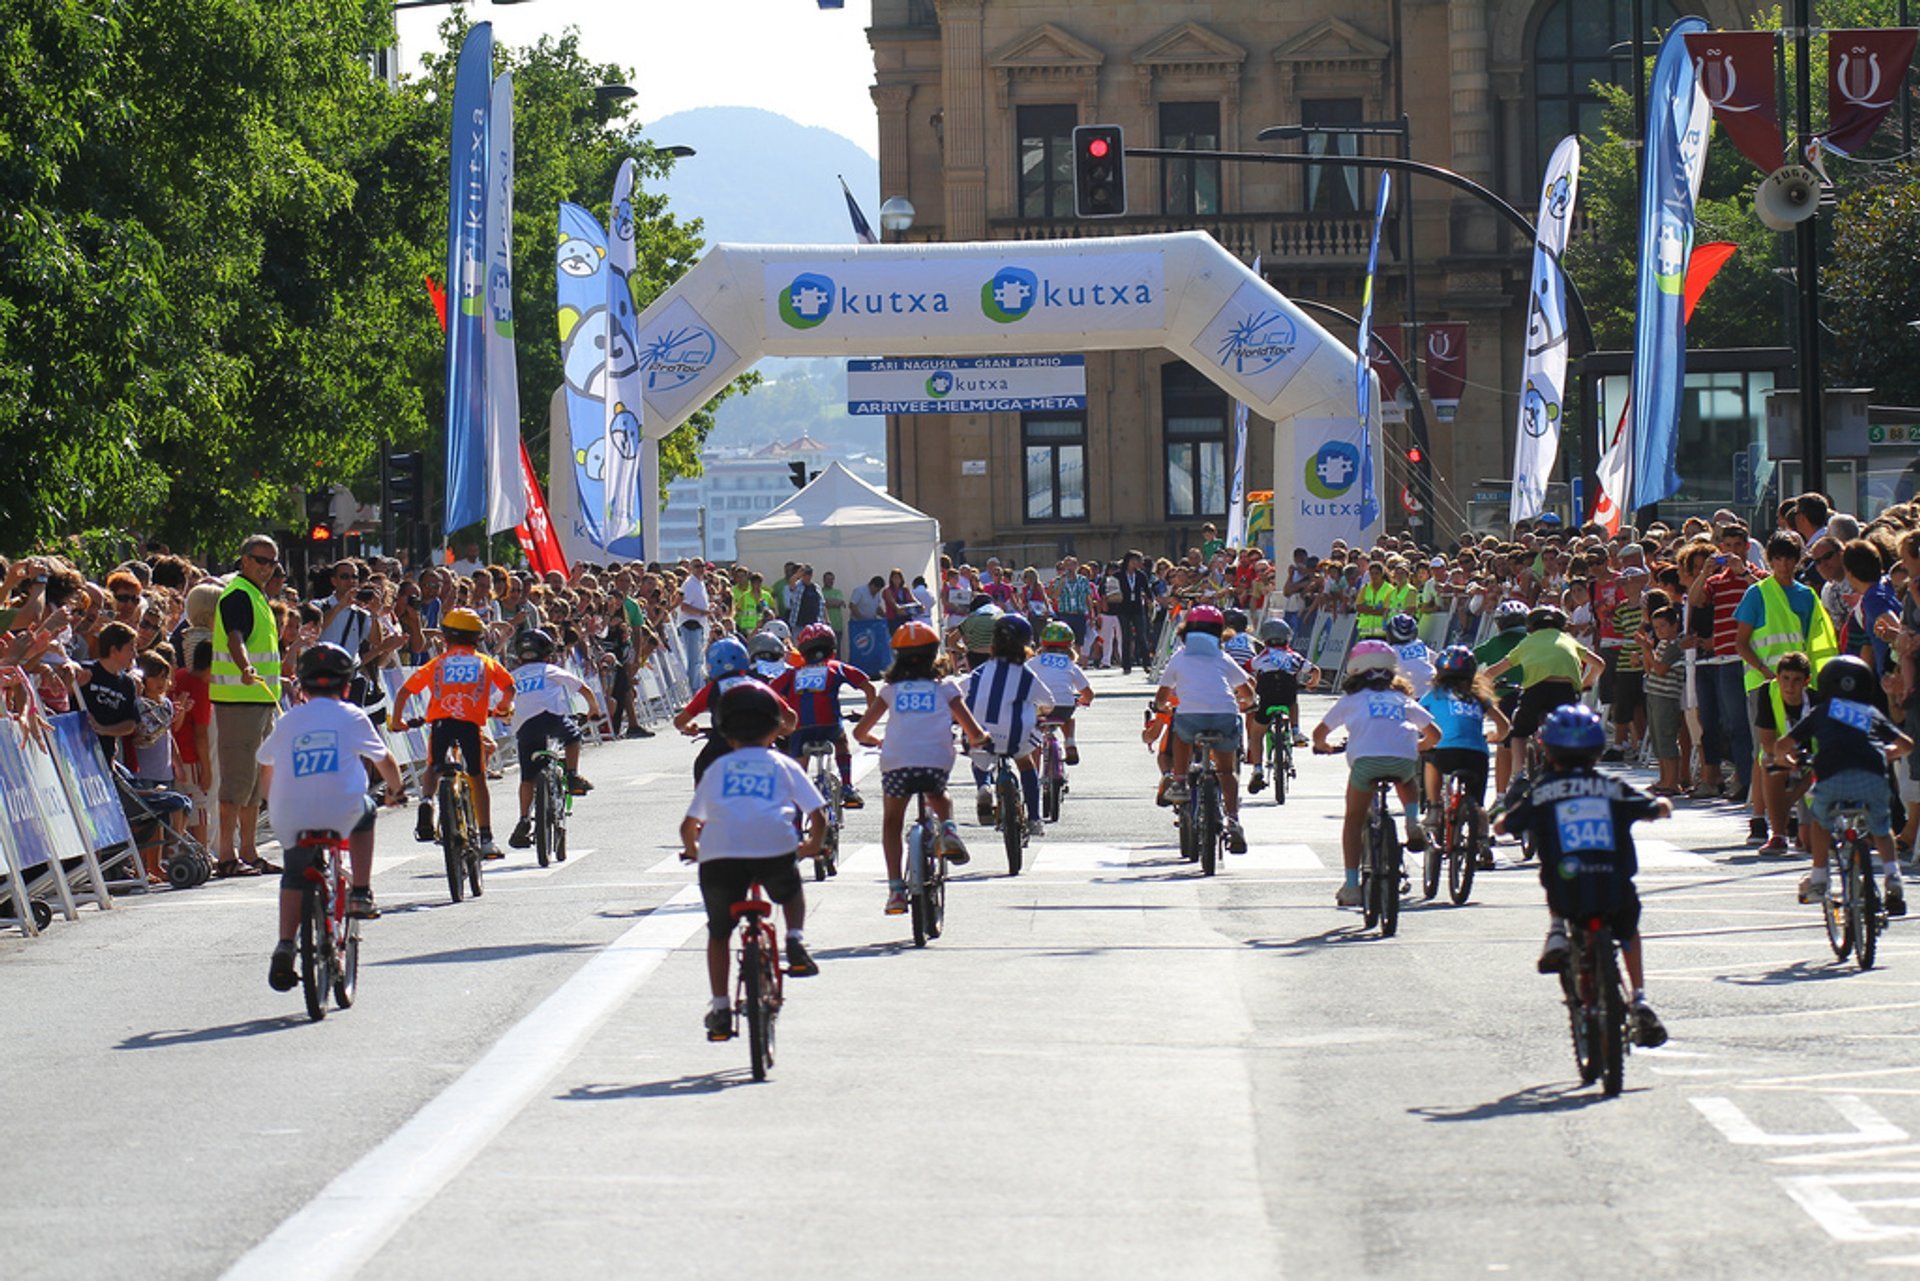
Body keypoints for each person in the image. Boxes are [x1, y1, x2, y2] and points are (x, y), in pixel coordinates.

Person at [1494, 704, 1669, 1048]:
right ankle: (1639, 996)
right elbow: (1653, 807)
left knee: (1557, 874)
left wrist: (1501, 822)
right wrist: (1661, 807)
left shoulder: (1544, 790)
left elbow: (1507, 825)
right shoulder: (1611, 787)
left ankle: (1558, 930)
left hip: (1567, 890)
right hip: (1614, 886)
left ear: (1549, 749)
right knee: (1629, 931)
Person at [680, 680, 825, 1043]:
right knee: (790, 891)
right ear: (777, 728)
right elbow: (818, 815)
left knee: (718, 931)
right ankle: (794, 939)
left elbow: (689, 826)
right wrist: (811, 845)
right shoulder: (783, 763)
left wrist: (694, 850)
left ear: (726, 734)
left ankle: (721, 1007)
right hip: (773, 847)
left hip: (720, 857)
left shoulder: (717, 769)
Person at [258, 643, 405, 993]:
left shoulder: (288, 719)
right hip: (342, 809)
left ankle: (284, 945)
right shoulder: (352, 716)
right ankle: (361, 892)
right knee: (366, 813)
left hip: (290, 812)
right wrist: (396, 790)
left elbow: (266, 763)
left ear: (302, 687)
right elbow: (385, 761)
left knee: (294, 873)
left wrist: (272, 801)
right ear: (346, 685)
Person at [850, 620, 989, 915]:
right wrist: (980, 738)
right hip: (934, 762)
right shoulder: (946, 688)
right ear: (933, 654)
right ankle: (949, 828)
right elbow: (972, 729)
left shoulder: (889, 691)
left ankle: (896, 890)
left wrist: (877, 741)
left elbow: (860, 733)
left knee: (891, 823)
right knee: (938, 793)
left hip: (896, 763)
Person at [1776, 655, 1913, 913]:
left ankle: (1818, 878)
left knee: (1821, 819)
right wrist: (1885, 752)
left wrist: (1789, 759)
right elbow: (1906, 745)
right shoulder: (1870, 712)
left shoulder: (1823, 711)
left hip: (1832, 774)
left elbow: (1782, 745)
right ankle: (1893, 877)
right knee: (1881, 828)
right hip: (1871, 775)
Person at [1312, 640, 1440, 905]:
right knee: (1406, 778)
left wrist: (1323, 746)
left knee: (1354, 821)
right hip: (1401, 760)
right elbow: (1434, 734)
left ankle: (1350, 886)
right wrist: (1418, 746)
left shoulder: (1350, 700)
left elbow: (1319, 733)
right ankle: (1413, 820)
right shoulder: (1402, 698)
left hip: (1366, 764)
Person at [1736, 530, 1839, 845]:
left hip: (1802, 683)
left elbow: (1815, 643)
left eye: (1790, 558)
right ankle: (1758, 818)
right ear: (1770, 559)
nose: (1784, 564)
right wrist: (1767, 672)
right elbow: (1741, 642)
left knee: (1801, 751)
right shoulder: (1757, 593)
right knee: (1764, 751)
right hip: (1764, 682)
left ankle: (1792, 816)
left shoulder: (1807, 595)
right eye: (1778, 558)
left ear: (1797, 560)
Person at [390, 607, 515, 859]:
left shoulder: (438, 663)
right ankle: (487, 837)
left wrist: (397, 721)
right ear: (478, 637)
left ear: (445, 637)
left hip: (441, 722)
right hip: (469, 724)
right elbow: (510, 688)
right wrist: (502, 708)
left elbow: (404, 691)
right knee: (477, 776)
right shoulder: (485, 662)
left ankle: (426, 802)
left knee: (434, 767)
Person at [209, 535, 286, 877]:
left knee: (254, 783)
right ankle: (227, 855)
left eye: (272, 562)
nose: (266, 567)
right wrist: (244, 667)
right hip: (239, 701)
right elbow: (234, 637)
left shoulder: (258, 595)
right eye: (260, 560)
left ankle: (249, 851)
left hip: (259, 701)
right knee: (237, 782)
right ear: (244, 560)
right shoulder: (239, 593)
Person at [1155, 605, 1253, 854]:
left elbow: (1161, 696)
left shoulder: (1179, 656)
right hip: (1224, 715)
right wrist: (1249, 703)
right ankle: (1233, 821)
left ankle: (1178, 781)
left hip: (1191, 717)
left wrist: (1163, 706)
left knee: (1180, 734)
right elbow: (1247, 691)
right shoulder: (1222, 656)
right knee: (1226, 771)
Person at [1484, 604, 1604, 797]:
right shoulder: (1568, 640)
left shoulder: (1528, 642)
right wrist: (1583, 684)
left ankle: (1519, 775)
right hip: (1566, 691)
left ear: (1530, 627)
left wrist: (1483, 690)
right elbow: (1599, 664)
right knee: (1572, 731)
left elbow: (1492, 671)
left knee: (1519, 731)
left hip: (1536, 690)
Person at [504, 629, 602, 851]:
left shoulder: (514, 675)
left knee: (527, 777)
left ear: (518, 656)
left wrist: (502, 713)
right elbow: (582, 688)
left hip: (525, 727)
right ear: (547, 654)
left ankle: (523, 820)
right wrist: (593, 709)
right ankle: (572, 774)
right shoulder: (550, 670)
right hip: (551, 718)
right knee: (573, 736)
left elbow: (502, 700)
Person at [963, 613, 1055, 837]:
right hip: (1016, 736)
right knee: (1026, 764)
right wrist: (1040, 712)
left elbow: (959, 692)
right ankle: (1034, 818)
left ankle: (983, 784)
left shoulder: (980, 672)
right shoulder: (1026, 675)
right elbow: (1049, 702)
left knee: (979, 759)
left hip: (982, 735)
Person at [1419, 646, 1510, 863]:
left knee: (1430, 759)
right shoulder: (1478, 696)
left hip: (1445, 751)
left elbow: (1417, 717)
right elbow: (1504, 725)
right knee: (1477, 805)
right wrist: (1495, 736)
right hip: (1477, 754)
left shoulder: (1434, 694)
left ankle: (1433, 807)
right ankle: (1483, 843)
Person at [770, 622, 875, 809]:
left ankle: (797, 804)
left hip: (800, 728)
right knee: (841, 741)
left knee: (799, 768)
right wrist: (868, 714)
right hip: (829, 725)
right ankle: (848, 786)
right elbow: (869, 686)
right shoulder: (835, 667)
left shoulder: (793, 674)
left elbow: (769, 693)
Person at [673, 636, 796, 784]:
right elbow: (791, 717)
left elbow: (680, 721)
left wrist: (688, 728)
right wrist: (780, 730)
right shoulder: (758, 686)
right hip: (761, 748)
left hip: (721, 749)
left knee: (701, 768)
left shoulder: (711, 690)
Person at [1246, 617, 1317, 798]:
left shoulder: (1261, 657)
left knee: (1256, 734)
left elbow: (1246, 671)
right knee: (1293, 699)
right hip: (1287, 696)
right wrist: (1312, 683)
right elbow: (1315, 670)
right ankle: (1295, 730)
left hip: (1267, 699)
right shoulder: (1294, 656)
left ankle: (1257, 768)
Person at [1030, 620, 1094, 766]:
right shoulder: (1069, 664)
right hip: (1064, 708)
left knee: (1033, 739)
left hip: (1039, 707)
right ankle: (1070, 742)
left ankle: (1033, 774)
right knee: (1067, 718)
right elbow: (1088, 693)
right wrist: (1083, 700)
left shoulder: (1034, 662)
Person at [1385, 612, 1435, 698]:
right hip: (1431, 691)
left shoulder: (1391, 651)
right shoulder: (1420, 645)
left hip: (1409, 693)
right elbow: (1436, 660)